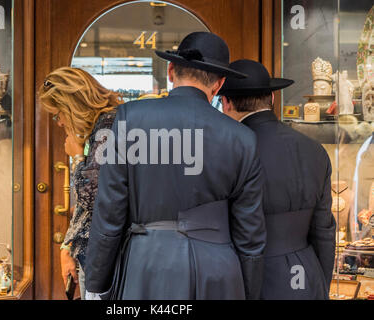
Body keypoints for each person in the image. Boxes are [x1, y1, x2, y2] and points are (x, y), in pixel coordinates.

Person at [85, 32, 266, 300]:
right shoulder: (243, 138)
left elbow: (109, 209)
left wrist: (97, 281)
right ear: (219, 84)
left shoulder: (130, 118)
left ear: (171, 71)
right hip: (217, 271)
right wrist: (247, 290)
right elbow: (250, 233)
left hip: (145, 266)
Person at [220, 59, 336, 299]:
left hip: (254, 277)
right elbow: (324, 231)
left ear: (226, 102)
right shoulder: (315, 150)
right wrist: (320, 285)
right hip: (307, 272)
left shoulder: (229, 151)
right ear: (272, 98)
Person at [39, 67, 122, 299]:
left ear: (71, 106)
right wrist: (67, 246)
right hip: (92, 251)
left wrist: (76, 157)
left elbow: (93, 197)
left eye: (58, 114)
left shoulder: (107, 128)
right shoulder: (100, 128)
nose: (59, 122)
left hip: (104, 255)